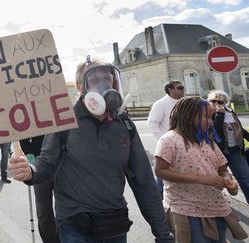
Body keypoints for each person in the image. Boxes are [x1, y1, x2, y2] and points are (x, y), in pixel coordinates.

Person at [10, 56, 173, 243]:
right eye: (95, 79)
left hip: (114, 225)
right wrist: (30, 171)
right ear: (80, 87)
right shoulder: (64, 121)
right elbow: (46, 162)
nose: (104, 84)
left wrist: (163, 234)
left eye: (108, 78)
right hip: (75, 227)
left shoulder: (125, 124)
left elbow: (144, 182)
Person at [154, 96, 247, 242]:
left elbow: (222, 169)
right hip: (186, 208)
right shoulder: (169, 140)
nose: (211, 122)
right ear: (188, 115)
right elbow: (160, 171)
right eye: (207, 117)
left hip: (215, 207)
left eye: (212, 117)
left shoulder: (208, 141)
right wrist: (200, 179)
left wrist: (229, 182)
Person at [208, 90, 249, 203]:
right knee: (217, 182)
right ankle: (217, 206)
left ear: (225, 102)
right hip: (217, 153)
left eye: (220, 101)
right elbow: (215, 130)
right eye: (213, 101)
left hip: (234, 150)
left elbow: (239, 129)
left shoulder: (230, 112)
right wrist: (220, 114)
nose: (216, 103)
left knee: (245, 178)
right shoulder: (208, 114)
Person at [147, 80, 185, 197]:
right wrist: (163, 140)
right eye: (180, 87)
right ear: (170, 89)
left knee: (181, 171)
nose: (183, 89)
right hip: (168, 145)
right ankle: (159, 199)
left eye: (182, 87)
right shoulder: (161, 104)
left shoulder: (184, 102)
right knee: (164, 172)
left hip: (185, 144)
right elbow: (152, 123)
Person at [20, 135, 59, 243]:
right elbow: (22, 137)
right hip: (40, 167)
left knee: (64, 210)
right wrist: (29, 154)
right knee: (43, 212)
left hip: (63, 166)